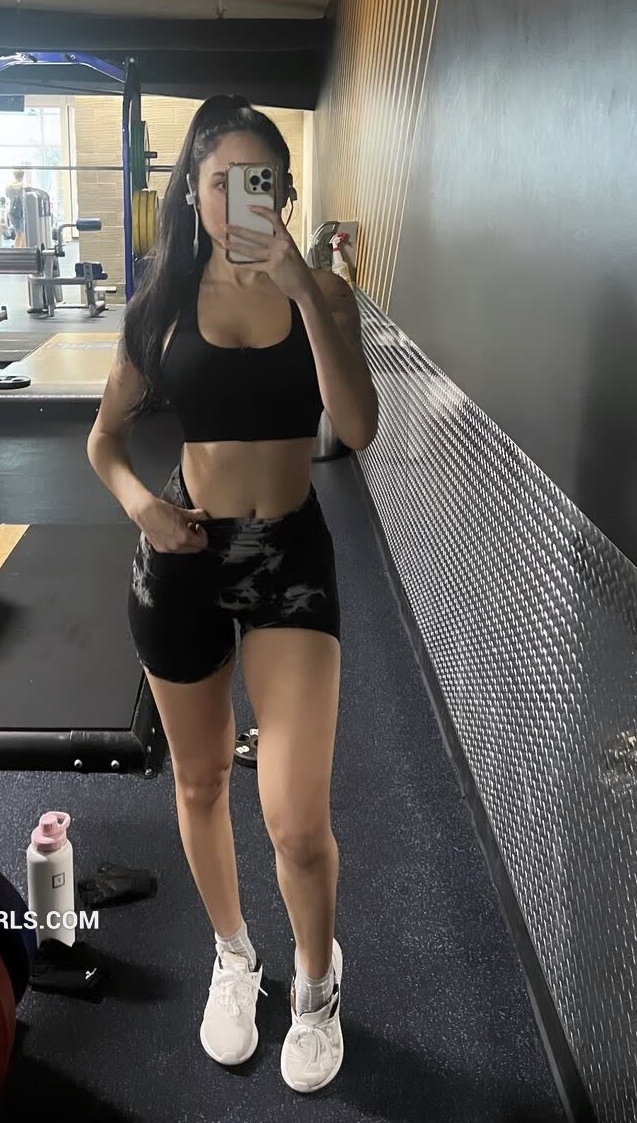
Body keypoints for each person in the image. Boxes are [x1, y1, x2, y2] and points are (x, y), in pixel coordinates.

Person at [87, 96, 379, 1093]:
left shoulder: (323, 291)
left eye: (260, 182)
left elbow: (357, 427)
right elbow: (105, 443)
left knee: (295, 820)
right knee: (202, 780)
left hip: (289, 558)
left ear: (284, 192)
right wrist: (142, 507)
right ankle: (233, 955)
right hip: (184, 558)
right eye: (221, 183)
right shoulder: (162, 305)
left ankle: (317, 982)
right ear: (194, 192)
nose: (238, 200)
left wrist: (302, 288)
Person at [5, 168, 26, 248]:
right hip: (22, 211)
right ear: (22, 176)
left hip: (12, 212)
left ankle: (17, 250)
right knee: (23, 233)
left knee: (18, 233)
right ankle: (23, 251)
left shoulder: (8, 186)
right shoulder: (24, 186)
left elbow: (7, 195)